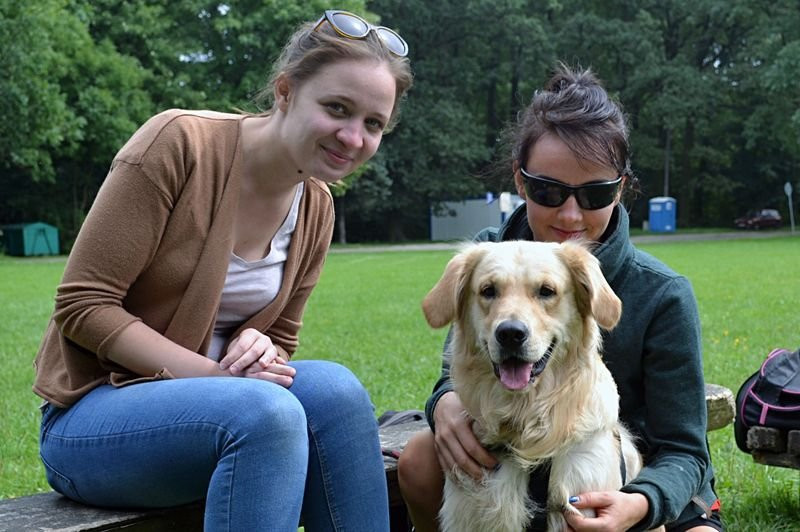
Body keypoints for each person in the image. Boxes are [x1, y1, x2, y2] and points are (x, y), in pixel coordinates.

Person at [33, 10, 412, 532]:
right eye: (336, 108)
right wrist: (220, 380)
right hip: (93, 422)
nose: (353, 137)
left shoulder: (317, 206)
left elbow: (279, 336)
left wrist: (260, 349)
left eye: (373, 124)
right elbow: (83, 305)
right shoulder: (179, 144)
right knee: (266, 413)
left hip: (230, 417)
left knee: (337, 392)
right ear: (285, 91)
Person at [397, 64, 722, 532]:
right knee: (421, 456)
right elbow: (459, 369)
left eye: (595, 194)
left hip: (640, 478)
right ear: (521, 181)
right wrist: (444, 401)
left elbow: (685, 451)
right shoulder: (486, 263)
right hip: (504, 453)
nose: (570, 214)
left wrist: (641, 502)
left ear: (622, 189)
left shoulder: (663, 294)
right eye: (548, 190)